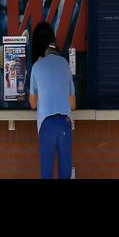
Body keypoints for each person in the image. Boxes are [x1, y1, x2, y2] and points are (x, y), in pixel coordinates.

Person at [28, 22, 75, 179]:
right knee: (65, 173)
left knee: (46, 173)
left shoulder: (37, 66)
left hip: (46, 123)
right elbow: (73, 103)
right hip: (65, 122)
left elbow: (33, 104)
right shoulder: (65, 64)